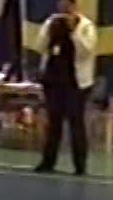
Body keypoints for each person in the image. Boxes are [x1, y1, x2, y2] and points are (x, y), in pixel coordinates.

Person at [34, 10, 98, 175]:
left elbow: (86, 51)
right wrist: (48, 31)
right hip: (53, 81)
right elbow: (40, 46)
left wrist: (74, 32)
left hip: (76, 83)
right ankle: (48, 161)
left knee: (76, 123)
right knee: (53, 124)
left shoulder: (86, 26)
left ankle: (80, 165)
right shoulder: (51, 22)